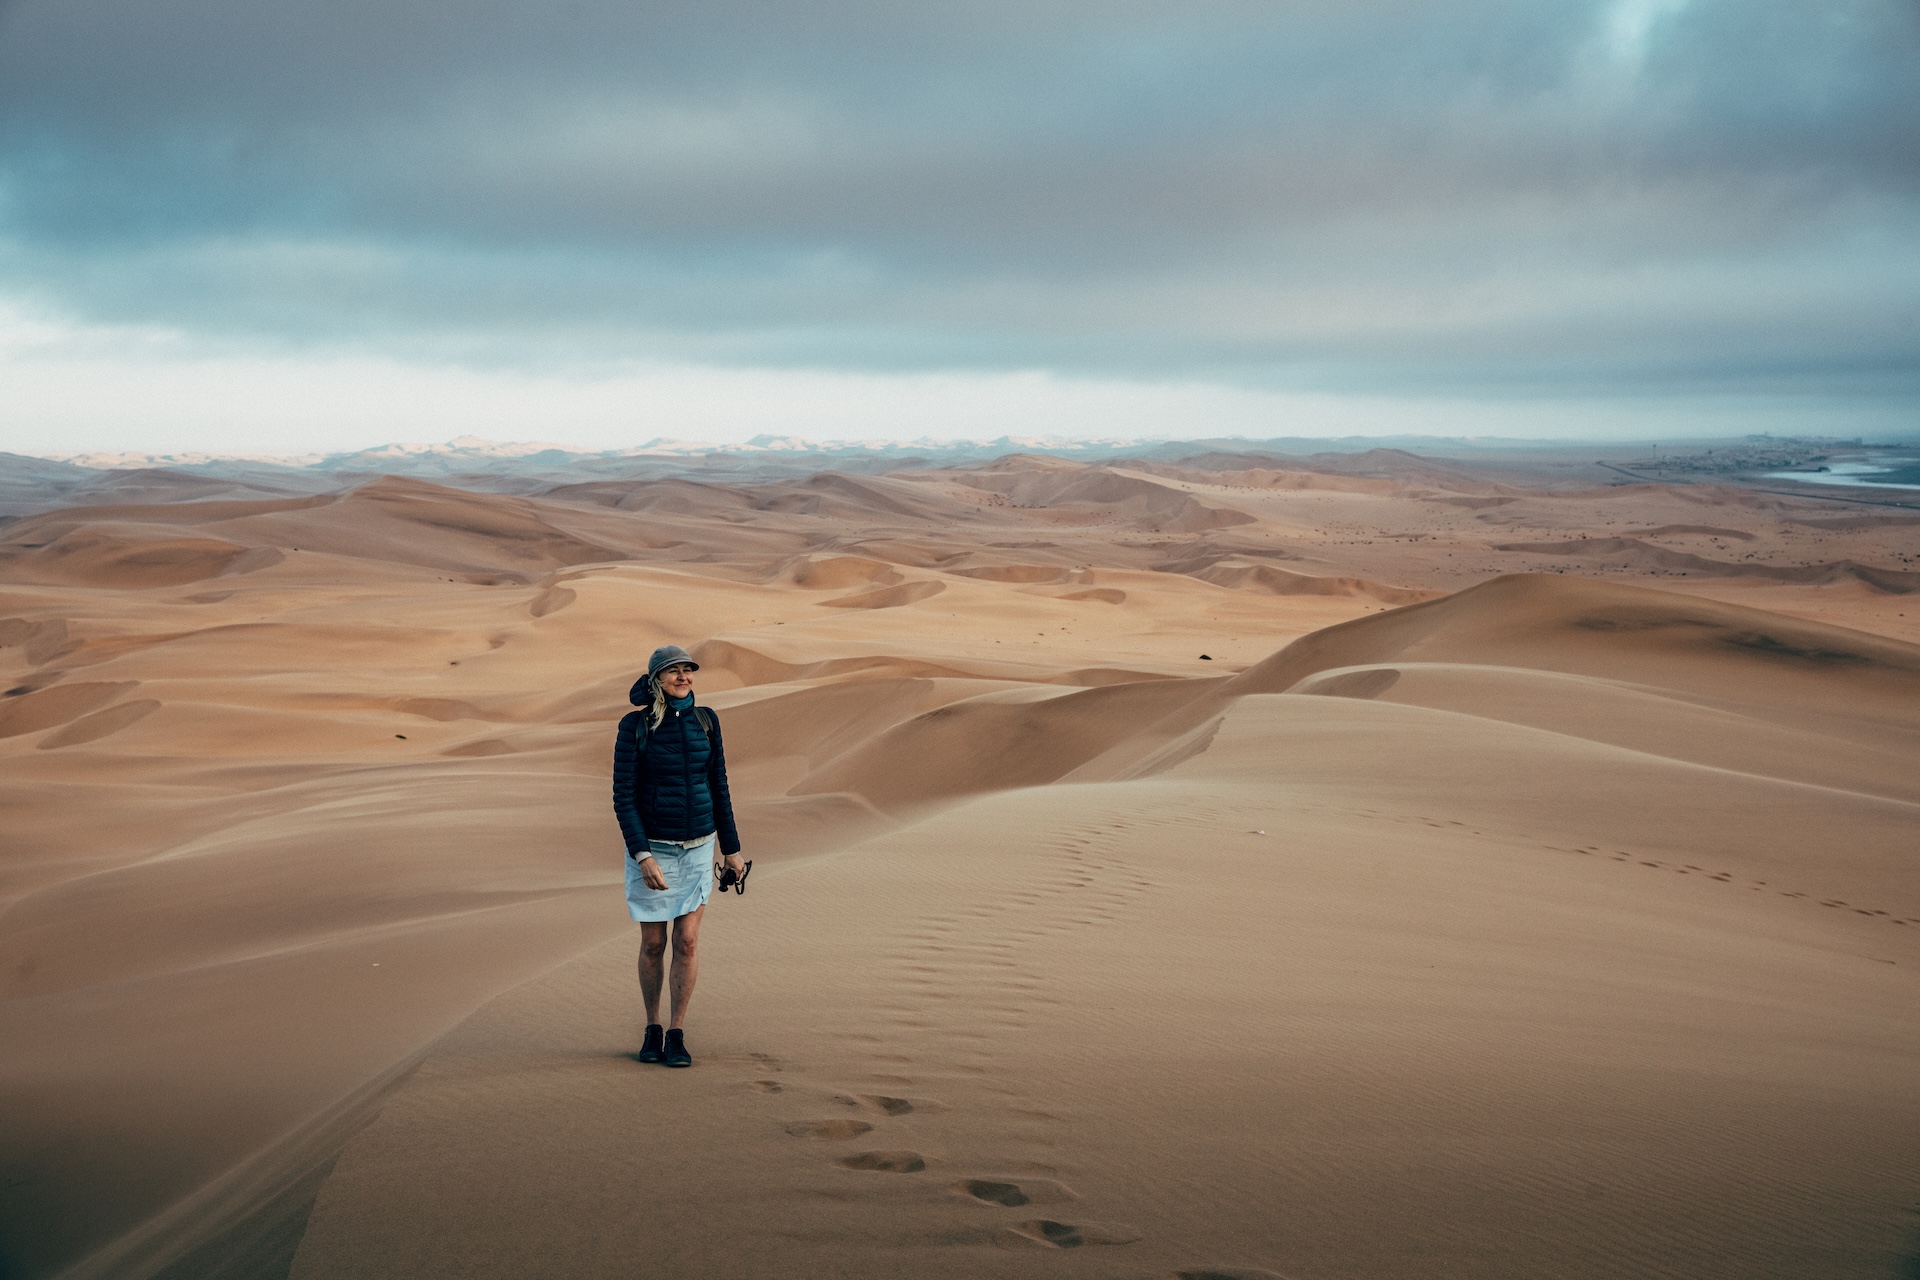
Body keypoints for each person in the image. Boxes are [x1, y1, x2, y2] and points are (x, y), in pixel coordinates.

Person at [611, 644, 746, 1067]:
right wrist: (642, 855)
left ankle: (676, 1032)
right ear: (656, 679)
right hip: (654, 849)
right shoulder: (634, 726)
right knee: (653, 944)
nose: (683, 677)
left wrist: (732, 850)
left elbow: (719, 784)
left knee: (686, 942)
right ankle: (652, 1027)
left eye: (688, 670)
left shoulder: (707, 721)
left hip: (699, 846)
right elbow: (623, 796)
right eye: (673, 671)